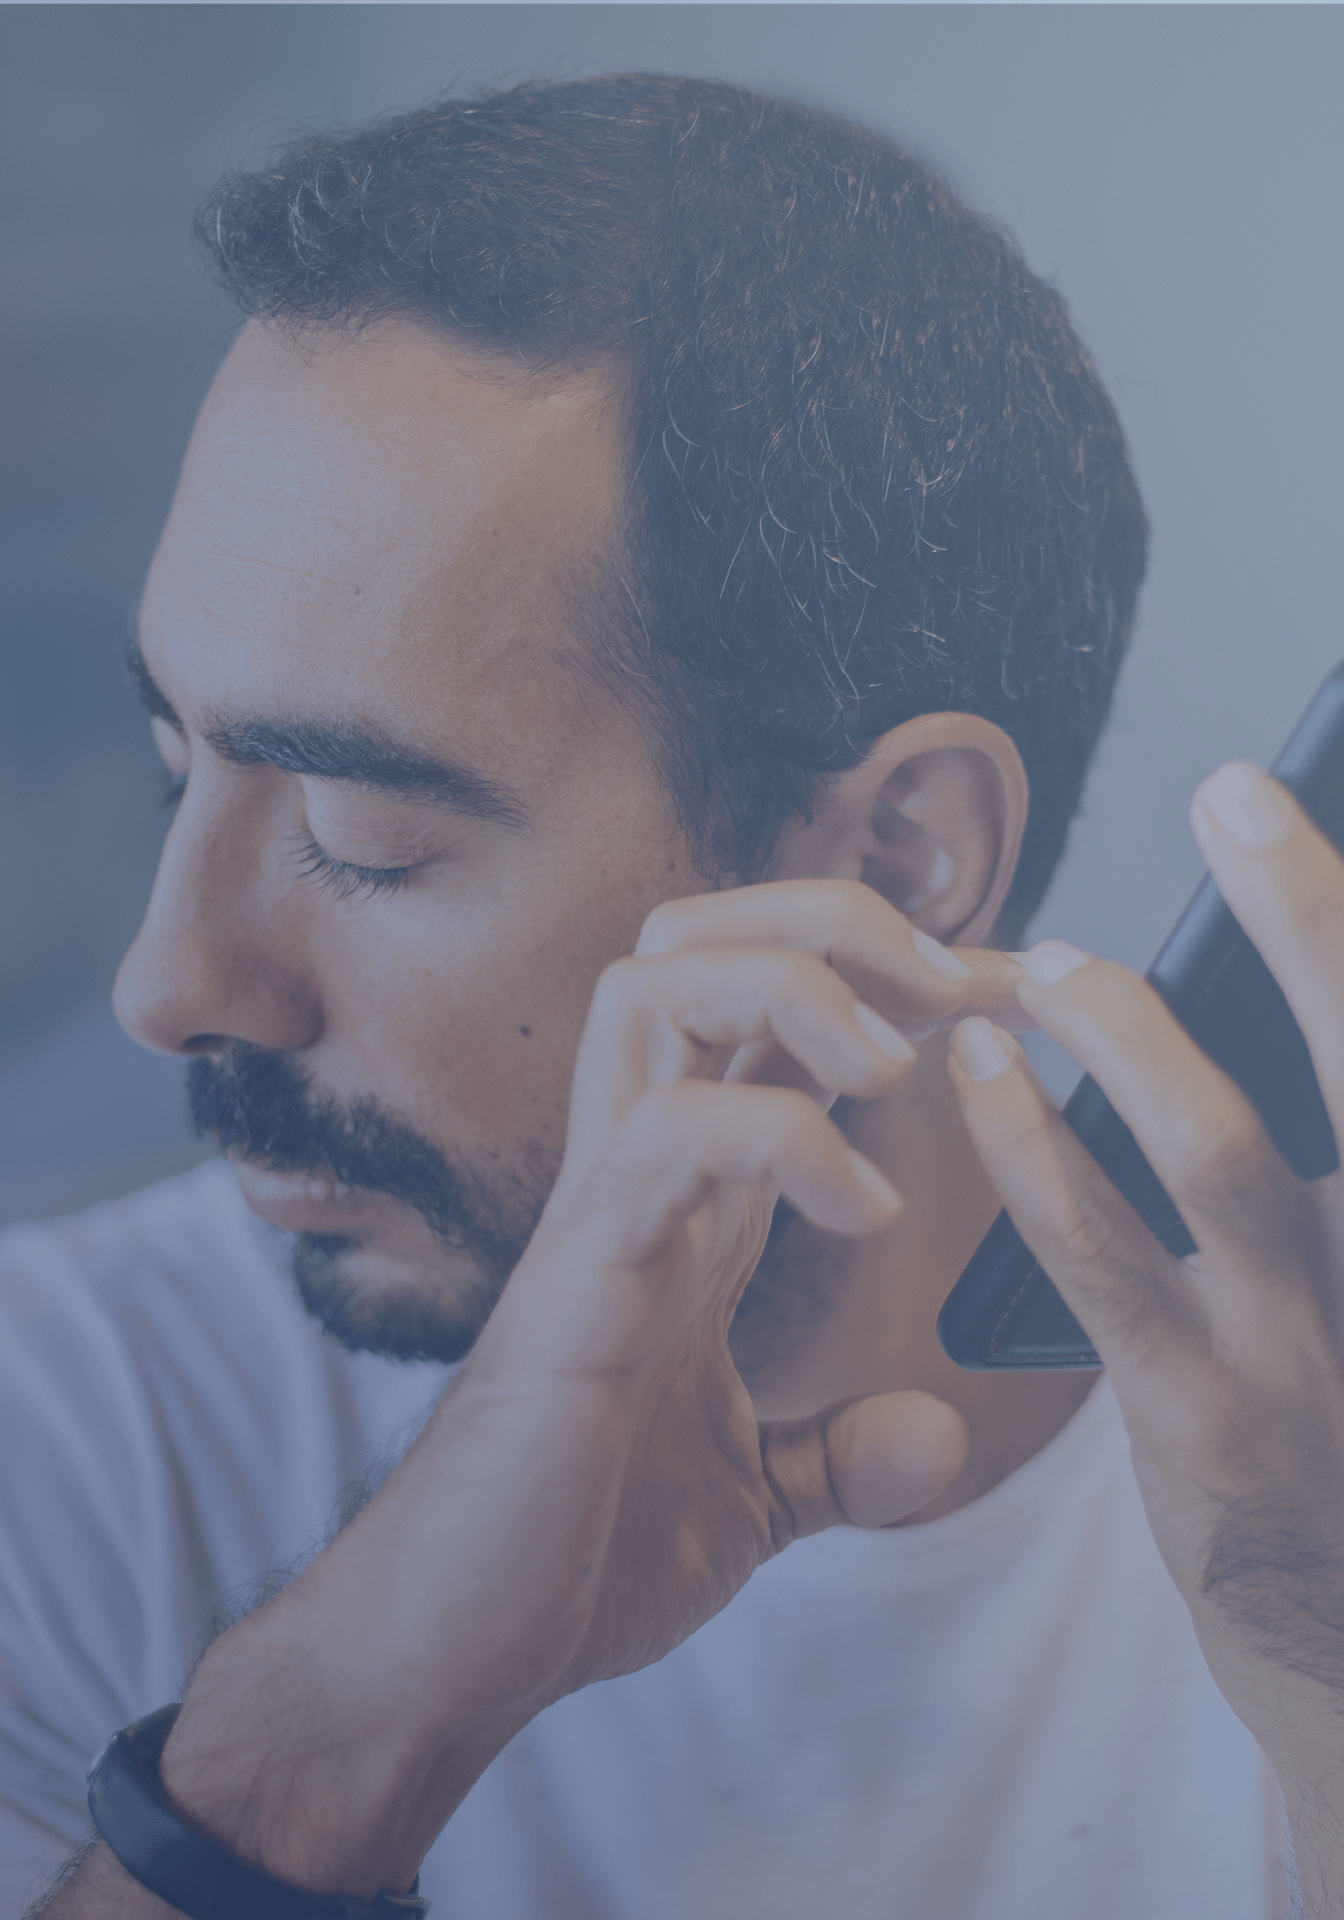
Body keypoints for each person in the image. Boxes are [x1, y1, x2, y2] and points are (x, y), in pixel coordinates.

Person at [4, 71, 1341, 1919]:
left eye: (362, 830)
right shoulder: (58, 1435)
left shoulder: (1306, 1513)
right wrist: (340, 1726)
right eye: (180, 770)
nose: (168, 983)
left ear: (892, 862)